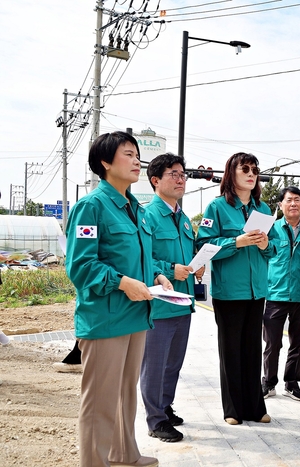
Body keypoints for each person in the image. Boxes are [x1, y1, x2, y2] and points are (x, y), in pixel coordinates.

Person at [65, 130, 172, 467]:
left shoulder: (135, 210)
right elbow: (81, 266)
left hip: (136, 314)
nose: (137, 160)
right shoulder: (91, 207)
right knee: (100, 400)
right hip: (106, 317)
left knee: (126, 394)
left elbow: (138, 256)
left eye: (137, 154)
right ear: (105, 162)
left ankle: (124, 454)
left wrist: (155, 273)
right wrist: (123, 282)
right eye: (128, 154)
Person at [196, 152, 278, 425]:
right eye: (245, 169)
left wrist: (265, 244)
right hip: (229, 291)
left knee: (253, 349)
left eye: (255, 169)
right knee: (231, 350)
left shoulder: (264, 210)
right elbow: (203, 246)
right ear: (232, 173)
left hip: (258, 291)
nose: (252, 173)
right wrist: (237, 242)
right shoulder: (217, 207)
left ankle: (255, 407)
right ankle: (232, 409)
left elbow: (275, 248)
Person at [140, 153, 205, 443]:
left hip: (184, 301)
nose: (181, 179)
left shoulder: (183, 219)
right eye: (173, 174)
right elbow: (141, 260)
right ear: (155, 180)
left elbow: (186, 259)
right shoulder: (147, 216)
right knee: (154, 364)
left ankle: (164, 407)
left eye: (183, 174)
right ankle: (155, 420)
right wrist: (169, 269)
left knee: (173, 363)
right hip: (159, 304)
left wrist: (196, 266)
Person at [262, 186, 300, 401]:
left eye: (297, 200)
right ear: (281, 205)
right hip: (275, 294)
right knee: (272, 343)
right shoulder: (270, 229)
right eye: (289, 200)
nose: (294, 204)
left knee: (297, 344)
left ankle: (291, 383)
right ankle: (268, 382)